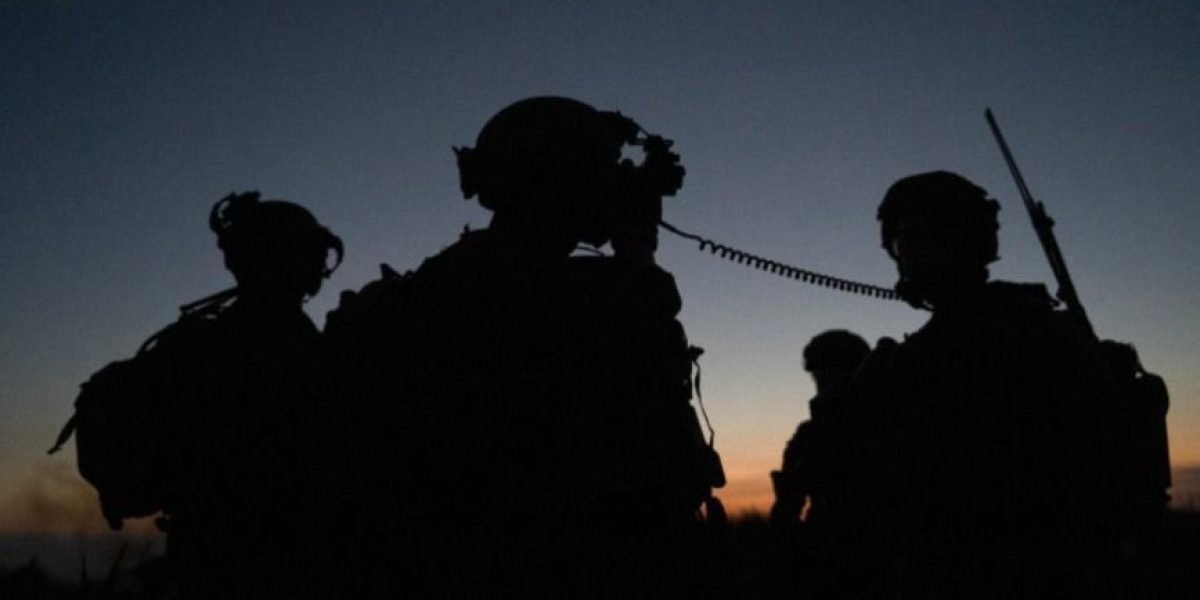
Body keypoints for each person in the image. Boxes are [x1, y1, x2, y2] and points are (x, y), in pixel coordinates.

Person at [326, 96, 722, 594]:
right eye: (598, 171)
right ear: (556, 179)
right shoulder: (537, 288)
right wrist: (637, 244)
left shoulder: (460, 274)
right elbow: (640, 345)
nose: (610, 185)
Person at [844, 171, 1121, 599]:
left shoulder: (1036, 336)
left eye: (931, 238)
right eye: (904, 243)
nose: (915, 255)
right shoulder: (906, 359)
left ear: (970, 243)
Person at [162, 192, 343, 599]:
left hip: (213, 553)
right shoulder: (278, 341)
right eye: (311, 253)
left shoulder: (219, 336)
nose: (319, 267)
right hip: (260, 556)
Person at [770, 329, 869, 530]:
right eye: (819, 375)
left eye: (833, 372)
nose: (822, 383)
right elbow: (785, 515)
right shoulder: (807, 436)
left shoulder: (888, 424)